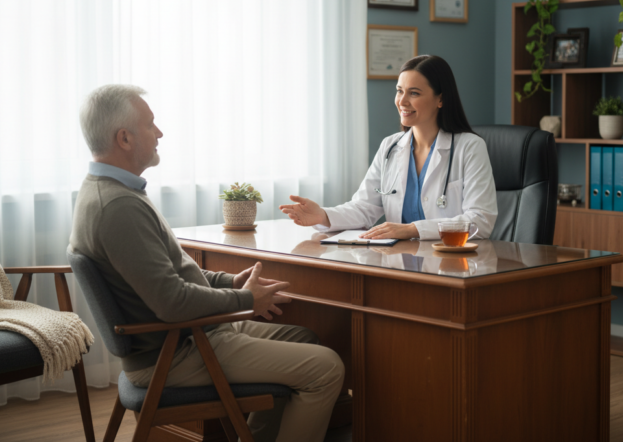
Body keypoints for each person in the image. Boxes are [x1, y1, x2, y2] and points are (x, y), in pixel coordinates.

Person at [69, 84, 344, 442]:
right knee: (327, 369)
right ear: (124, 138)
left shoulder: (111, 192)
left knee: (304, 338)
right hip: (175, 351)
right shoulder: (119, 207)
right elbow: (172, 301)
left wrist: (230, 283)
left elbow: (173, 274)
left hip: (187, 337)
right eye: (151, 125)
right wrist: (247, 300)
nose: (160, 133)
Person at [279, 55, 498, 241]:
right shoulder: (390, 147)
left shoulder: (469, 147)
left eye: (414, 93)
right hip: (399, 261)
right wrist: (323, 215)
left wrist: (412, 229)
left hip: (449, 262)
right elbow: (364, 208)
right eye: (399, 91)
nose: (402, 101)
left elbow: (480, 220)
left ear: (440, 99)